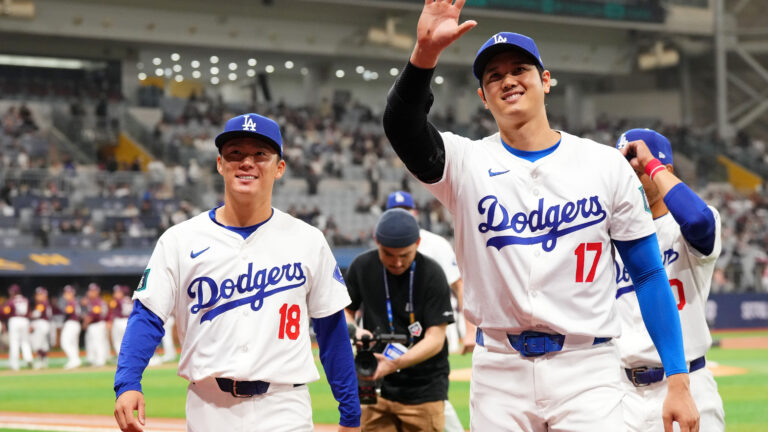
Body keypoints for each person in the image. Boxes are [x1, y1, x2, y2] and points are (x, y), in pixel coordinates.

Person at [382, 2, 699, 430]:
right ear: (483, 95)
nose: (508, 80)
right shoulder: (463, 162)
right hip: (499, 368)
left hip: (588, 366)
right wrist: (424, 54)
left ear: (545, 80)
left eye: (520, 70)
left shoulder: (604, 165)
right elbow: (402, 126)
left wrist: (678, 377)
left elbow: (646, 274)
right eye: (494, 75)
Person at [113, 113, 361, 432]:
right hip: (208, 406)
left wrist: (351, 413)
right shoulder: (179, 239)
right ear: (220, 164)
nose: (247, 162)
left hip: (284, 406)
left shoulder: (308, 240)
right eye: (235, 154)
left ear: (279, 167)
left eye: (260, 154)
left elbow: (331, 329)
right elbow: (147, 315)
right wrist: (128, 382)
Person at [615, 129, 726, 431]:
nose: (632, 173)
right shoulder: (608, 236)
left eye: (639, 166)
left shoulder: (689, 227)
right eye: (626, 166)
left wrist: (650, 163)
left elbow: (698, 220)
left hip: (687, 382)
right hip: (621, 390)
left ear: (667, 171)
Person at [345, 208, 455, 431]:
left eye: (404, 255)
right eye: (388, 254)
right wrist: (355, 330)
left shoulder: (432, 274)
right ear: (376, 242)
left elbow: (436, 339)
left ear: (418, 243)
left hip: (424, 390)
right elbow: (344, 311)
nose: (396, 263)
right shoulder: (362, 267)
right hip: (374, 386)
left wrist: (395, 363)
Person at [385, 191, 468, 432]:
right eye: (395, 212)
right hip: (397, 328)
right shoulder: (385, 243)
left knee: (430, 392)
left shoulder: (435, 244)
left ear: (415, 213)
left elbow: (458, 285)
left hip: (435, 323)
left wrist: (469, 329)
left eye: (406, 210)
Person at [3, 284, 33, 370]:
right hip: (25, 321)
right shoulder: (25, 300)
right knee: (25, 341)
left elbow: (5, 312)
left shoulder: (11, 301)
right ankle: (28, 358)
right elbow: (29, 313)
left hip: (14, 320)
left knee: (14, 342)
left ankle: (14, 364)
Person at [83, 283, 109, 367]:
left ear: (97, 292)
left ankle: (100, 360)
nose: (90, 292)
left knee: (98, 343)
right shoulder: (93, 301)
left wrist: (86, 322)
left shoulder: (96, 301)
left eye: (93, 291)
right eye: (90, 290)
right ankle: (95, 360)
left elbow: (95, 314)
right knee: (93, 343)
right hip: (96, 325)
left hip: (97, 324)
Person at [29, 286, 53, 369]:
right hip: (45, 324)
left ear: (44, 295)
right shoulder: (46, 303)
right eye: (37, 294)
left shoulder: (42, 303)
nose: (38, 296)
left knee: (37, 344)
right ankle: (44, 361)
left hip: (41, 324)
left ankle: (40, 361)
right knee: (43, 344)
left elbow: (36, 314)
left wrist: (28, 315)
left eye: (40, 294)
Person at [60, 284, 83, 369]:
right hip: (75, 323)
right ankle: (75, 360)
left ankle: (74, 360)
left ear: (72, 293)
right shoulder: (75, 302)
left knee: (65, 343)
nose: (65, 295)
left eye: (68, 293)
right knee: (73, 344)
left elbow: (68, 312)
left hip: (71, 323)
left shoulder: (71, 302)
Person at [108, 285, 132, 359]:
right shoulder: (129, 299)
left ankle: (121, 359)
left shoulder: (117, 300)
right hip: (128, 321)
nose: (115, 294)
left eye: (117, 292)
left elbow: (111, 307)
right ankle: (128, 358)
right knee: (127, 342)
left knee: (117, 341)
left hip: (119, 321)